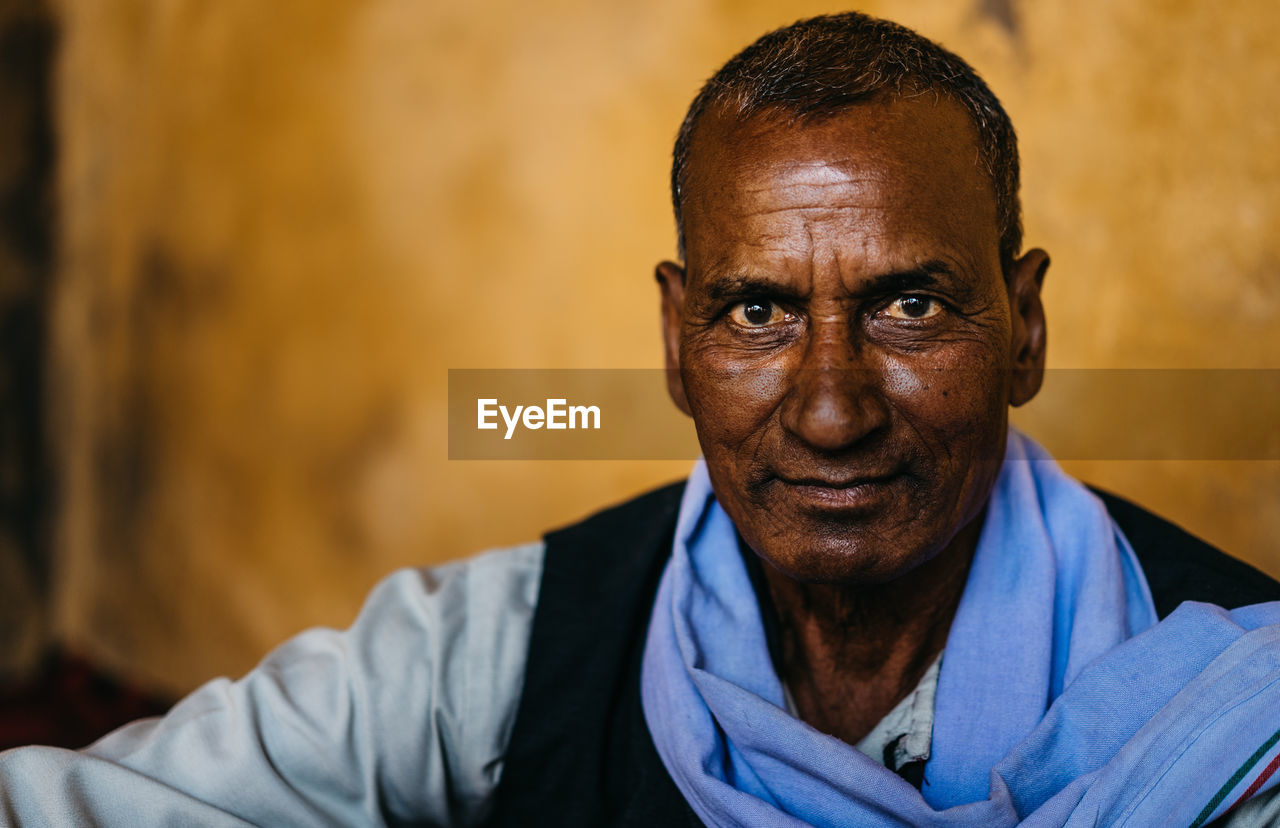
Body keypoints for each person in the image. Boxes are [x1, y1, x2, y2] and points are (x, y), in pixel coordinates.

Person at [3, 11, 1280, 827]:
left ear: (1025, 329)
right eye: (756, 316)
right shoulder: (515, 645)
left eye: (906, 305)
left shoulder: (1235, 712)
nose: (829, 409)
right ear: (676, 344)